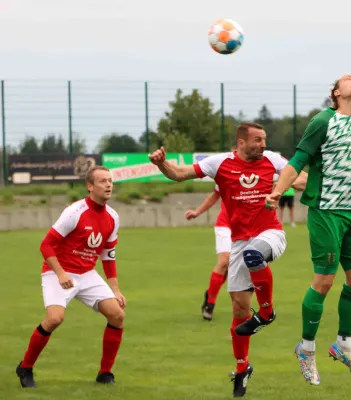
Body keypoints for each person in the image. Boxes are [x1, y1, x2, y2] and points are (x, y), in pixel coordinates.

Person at [148, 122, 307, 397]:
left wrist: (309, 180)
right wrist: (162, 164)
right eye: (258, 140)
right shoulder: (219, 163)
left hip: (271, 234)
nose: (263, 144)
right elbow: (179, 174)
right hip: (238, 243)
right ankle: (242, 367)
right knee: (239, 310)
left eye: (265, 139)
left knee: (254, 254)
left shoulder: (272, 160)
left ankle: (267, 313)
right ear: (241, 143)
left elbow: (299, 177)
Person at [265, 74, 351, 386]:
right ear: (336, 93)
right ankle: (306, 349)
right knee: (323, 282)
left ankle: (342, 345)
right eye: (349, 80)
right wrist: (279, 191)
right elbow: (298, 160)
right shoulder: (323, 120)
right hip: (326, 211)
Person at [16, 166, 126, 388]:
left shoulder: (113, 217)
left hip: (86, 274)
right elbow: (46, 245)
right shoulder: (74, 212)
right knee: (55, 318)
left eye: (110, 181)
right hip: (58, 272)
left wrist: (115, 289)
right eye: (103, 181)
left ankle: (105, 373)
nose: (108, 185)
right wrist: (60, 273)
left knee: (117, 315)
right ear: (90, 186)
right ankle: (25, 367)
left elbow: (108, 255)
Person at [185, 185, 230, 320]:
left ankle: (210, 292)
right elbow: (215, 195)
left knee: (232, 267)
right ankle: (210, 304)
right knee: (224, 261)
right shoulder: (226, 169)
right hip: (225, 224)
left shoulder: (260, 170)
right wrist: (197, 212)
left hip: (247, 226)